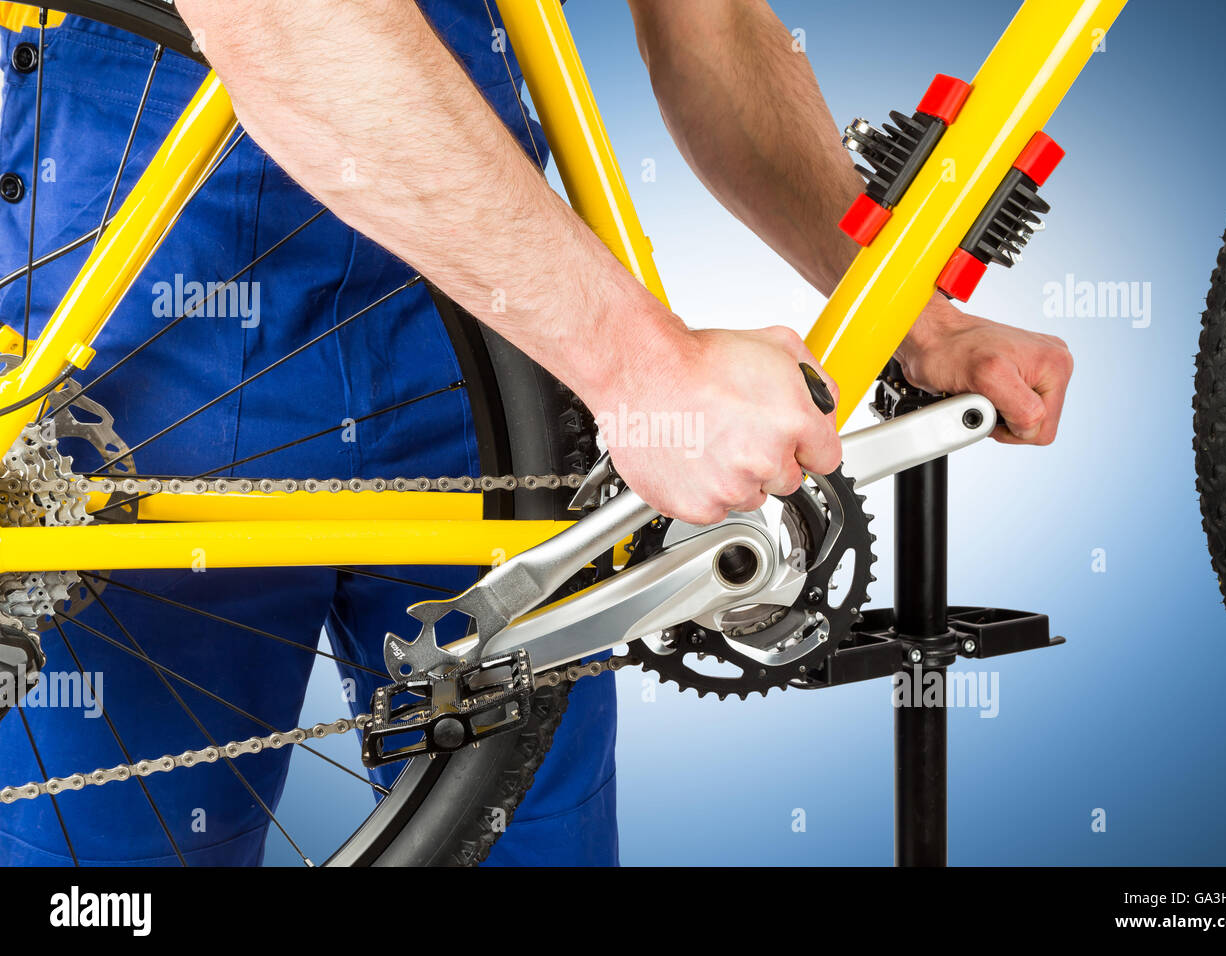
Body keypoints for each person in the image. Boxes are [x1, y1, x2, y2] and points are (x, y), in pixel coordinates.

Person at [0, 0, 1072, 866]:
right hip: (150, 310)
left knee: (527, 838)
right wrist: (642, 366)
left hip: (492, 303)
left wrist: (923, 323)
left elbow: (713, 25)